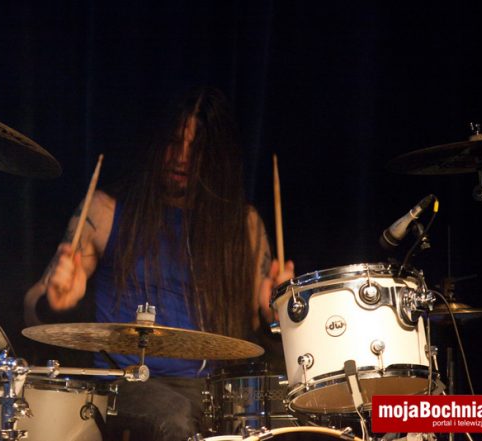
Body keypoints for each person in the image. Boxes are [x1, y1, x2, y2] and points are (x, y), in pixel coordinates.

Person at [23, 86, 294, 441]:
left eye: (197, 148)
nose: (181, 157)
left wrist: (276, 315)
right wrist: (57, 301)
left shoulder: (244, 226)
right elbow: (32, 310)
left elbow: (264, 330)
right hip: (126, 384)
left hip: (212, 389)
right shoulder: (105, 211)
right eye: (173, 142)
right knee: (175, 416)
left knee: (286, 414)